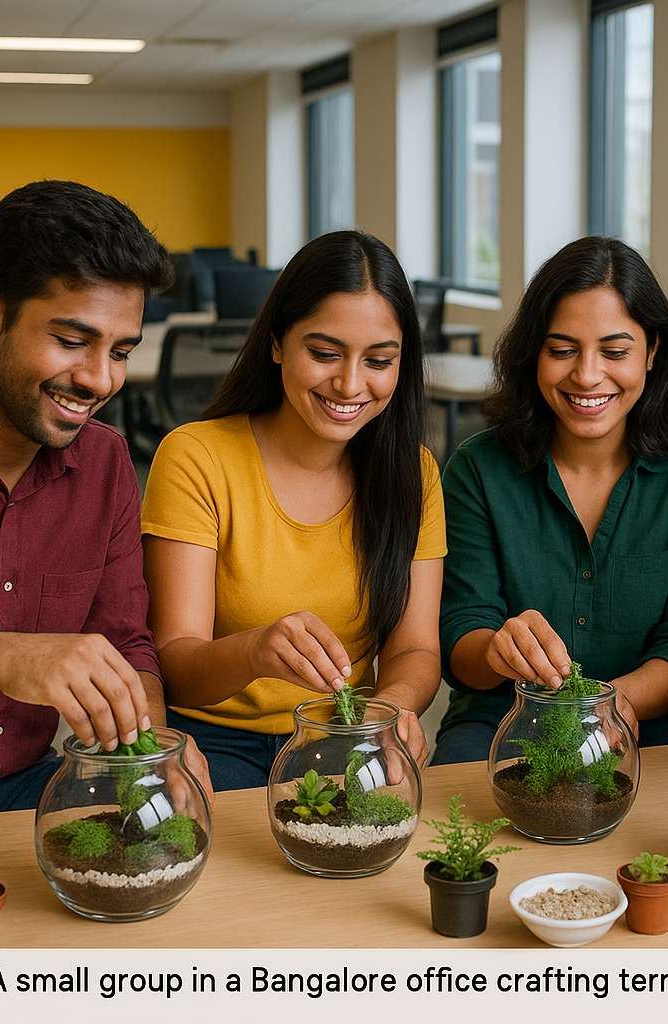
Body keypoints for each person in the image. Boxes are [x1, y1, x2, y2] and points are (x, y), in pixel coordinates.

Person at [0, 179, 210, 817]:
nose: (99, 380)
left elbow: (127, 643)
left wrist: (152, 750)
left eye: (121, 352)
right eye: (73, 341)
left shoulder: (105, 463)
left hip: (37, 786)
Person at [141, 229, 446, 791]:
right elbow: (175, 667)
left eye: (379, 360)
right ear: (277, 342)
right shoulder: (196, 457)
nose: (349, 384)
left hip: (344, 737)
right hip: (215, 741)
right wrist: (254, 652)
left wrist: (394, 708)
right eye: (324, 354)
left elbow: (416, 647)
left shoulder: (414, 473)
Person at [431, 236, 668, 765]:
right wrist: (495, 650)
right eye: (562, 350)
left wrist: (610, 705)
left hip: (647, 722)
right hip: (500, 719)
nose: (587, 375)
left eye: (615, 352)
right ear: (534, 352)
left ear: (653, 352)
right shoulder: (478, 468)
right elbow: (461, 636)